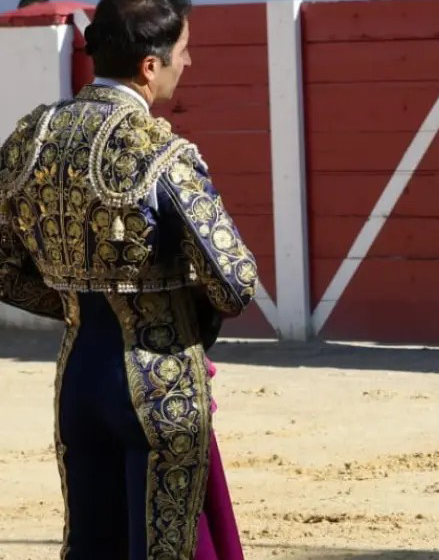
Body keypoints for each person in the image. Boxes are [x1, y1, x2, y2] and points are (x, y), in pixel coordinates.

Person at [0, 0, 257, 556]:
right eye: (182, 53)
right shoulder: (159, 149)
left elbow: (3, 269)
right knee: (167, 548)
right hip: (159, 378)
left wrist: (74, 298)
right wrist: (189, 313)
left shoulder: (31, 139)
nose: (186, 63)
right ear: (149, 66)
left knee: (92, 544)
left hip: (78, 377)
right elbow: (235, 280)